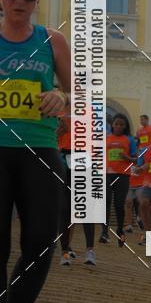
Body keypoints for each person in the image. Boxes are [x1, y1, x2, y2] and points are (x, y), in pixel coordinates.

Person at [0, 0, 71, 303]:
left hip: (41, 151)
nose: (20, 0)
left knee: (40, 245)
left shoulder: (52, 41)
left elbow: (83, 93)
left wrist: (62, 98)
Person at [56, 113, 96, 266]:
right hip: (63, 157)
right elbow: (53, 138)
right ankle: (64, 252)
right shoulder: (58, 113)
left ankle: (90, 250)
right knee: (65, 209)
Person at [99, 114, 137, 247]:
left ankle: (120, 230)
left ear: (125, 126)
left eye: (121, 124)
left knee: (119, 205)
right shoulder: (106, 139)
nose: (119, 126)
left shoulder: (129, 140)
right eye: (116, 124)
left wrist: (126, 157)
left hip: (122, 176)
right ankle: (104, 232)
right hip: (107, 174)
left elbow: (135, 160)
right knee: (106, 201)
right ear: (112, 125)